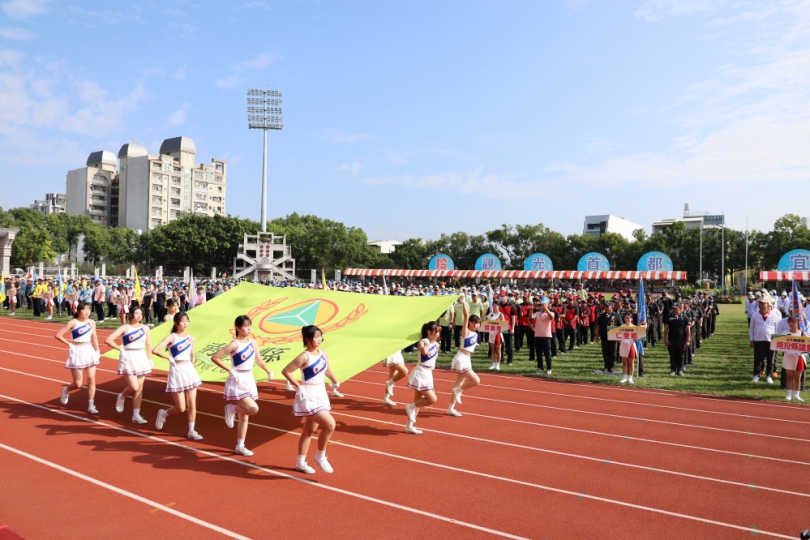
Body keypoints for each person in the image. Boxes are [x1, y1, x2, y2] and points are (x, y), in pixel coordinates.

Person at [209, 315, 275, 455]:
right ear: (237, 328)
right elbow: (215, 357)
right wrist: (230, 370)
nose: (249, 328)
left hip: (249, 379)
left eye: (250, 325)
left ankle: (240, 445)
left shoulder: (253, 342)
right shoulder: (234, 344)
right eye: (245, 325)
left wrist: (269, 371)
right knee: (253, 409)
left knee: (245, 416)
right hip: (237, 379)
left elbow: (259, 360)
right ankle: (231, 408)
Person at [282, 325, 339, 473]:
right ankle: (320, 456)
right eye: (316, 336)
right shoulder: (304, 356)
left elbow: (327, 370)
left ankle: (300, 463)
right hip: (309, 395)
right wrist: (298, 387)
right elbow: (286, 371)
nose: (319, 339)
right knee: (330, 425)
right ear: (307, 339)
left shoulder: (324, 354)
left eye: (320, 336)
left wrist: (334, 380)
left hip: (321, 393)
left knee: (308, 431)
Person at [152, 312, 204, 441]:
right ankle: (163, 413)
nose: (185, 323)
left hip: (189, 370)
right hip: (177, 370)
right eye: (182, 321)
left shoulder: (191, 338)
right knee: (181, 407)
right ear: (176, 323)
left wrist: (192, 369)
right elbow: (155, 350)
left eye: (187, 321)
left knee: (192, 405)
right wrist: (169, 358)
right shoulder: (172, 337)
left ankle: (191, 431)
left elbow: (192, 355)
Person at [106, 305, 152, 424]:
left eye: (141, 314)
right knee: (134, 386)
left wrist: (150, 359)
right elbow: (108, 340)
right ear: (130, 315)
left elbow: (148, 345)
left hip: (141, 357)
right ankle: (122, 395)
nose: (139, 316)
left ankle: (136, 415)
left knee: (140, 388)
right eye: (136, 313)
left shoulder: (145, 328)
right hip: (128, 357)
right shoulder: (125, 327)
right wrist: (120, 349)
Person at [55, 301, 101, 413]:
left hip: (89, 350)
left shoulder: (92, 322)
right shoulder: (73, 322)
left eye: (89, 309)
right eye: (84, 310)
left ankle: (91, 405)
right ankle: (66, 390)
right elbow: (58, 335)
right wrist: (70, 344)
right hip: (77, 351)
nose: (87, 312)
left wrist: (97, 350)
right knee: (78, 383)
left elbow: (94, 337)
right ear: (79, 311)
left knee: (91, 379)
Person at [403, 321, 440, 434]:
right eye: (436, 332)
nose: (438, 334)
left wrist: (433, 342)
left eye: (438, 332)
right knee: (432, 399)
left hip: (428, 373)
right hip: (420, 372)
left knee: (417, 403)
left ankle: (409, 426)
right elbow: (424, 352)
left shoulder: (437, 344)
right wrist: (428, 342)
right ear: (429, 332)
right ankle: (409, 407)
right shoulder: (422, 342)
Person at [447, 298, 481, 417]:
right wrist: (463, 303)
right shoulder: (465, 332)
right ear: (470, 323)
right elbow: (466, 315)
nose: (477, 325)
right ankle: (458, 391)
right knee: (476, 380)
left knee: (457, 385)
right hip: (461, 358)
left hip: (467, 359)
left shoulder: (475, 333)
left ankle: (450, 409)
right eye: (475, 323)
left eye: (479, 323)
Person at [749, 296, 781, 383]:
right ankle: (756, 375)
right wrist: (751, 339)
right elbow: (751, 328)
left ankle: (769, 376)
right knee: (758, 359)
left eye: (763, 303)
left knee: (771, 359)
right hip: (758, 339)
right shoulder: (755, 315)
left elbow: (778, 329)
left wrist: (777, 341)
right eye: (760, 303)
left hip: (771, 340)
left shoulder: (774, 316)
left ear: (768, 305)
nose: (761, 305)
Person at [664, 303, 690, 376]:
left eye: (675, 308)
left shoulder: (685, 317)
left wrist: (688, 340)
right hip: (671, 340)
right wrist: (665, 339)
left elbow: (688, 329)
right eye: (673, 308)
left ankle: (679, 370)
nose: (673, 309)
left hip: (681, 340)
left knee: (681, 356)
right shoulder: (669, 317)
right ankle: (673, 370)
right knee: (672, 356)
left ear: (680, 309)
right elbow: (666, 329)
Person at [595, 302, 621, 372]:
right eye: (605, 306)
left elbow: (620, 327)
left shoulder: (617, 315)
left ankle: (612, 366)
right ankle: (606, 366)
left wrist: (620, 338)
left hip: (613, 337)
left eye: (607, 306)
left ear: (612, 307)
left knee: (613, 352)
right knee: (605, 352)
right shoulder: (601, 316)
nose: (606, 308)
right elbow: (598, 326)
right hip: (604, 336)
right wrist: (597, 336)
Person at [618, 313, 644, 384]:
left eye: (628, 318)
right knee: (624, 362)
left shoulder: (634, 327)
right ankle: (624, 377)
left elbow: (638, 338)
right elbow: (618, 336)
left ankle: (630, 378)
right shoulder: (622, 326)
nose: (626, 319)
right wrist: (620, 341)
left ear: (631, 319)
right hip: (623, 345)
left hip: (631, 346)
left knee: (631, 363)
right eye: (625, 318)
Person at [531, 297, 555, 375]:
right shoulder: (537, 313)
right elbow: (531, 317)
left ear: (548, 304)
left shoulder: (551, 313)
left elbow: (551, 317)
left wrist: (546, 308)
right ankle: (540, 368)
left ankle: (549, 368)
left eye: (544, 304)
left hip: (546, 336)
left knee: (547, 354)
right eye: (542, 304)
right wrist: (531, 309)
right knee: (538, 353)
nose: (543, 306)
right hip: (537, 336)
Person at [486, 302, 505, 370]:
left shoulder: (501, 315)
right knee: (493, 349)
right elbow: (487, 323)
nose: (493, 307)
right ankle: (493, 364)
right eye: (493, 305)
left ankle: (498, 364)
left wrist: (499, 329)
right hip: (491, 334)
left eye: (495, 305)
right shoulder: (490, 314)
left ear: (498, 306)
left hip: (498, 334)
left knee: (498, 350)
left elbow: (503, 325)